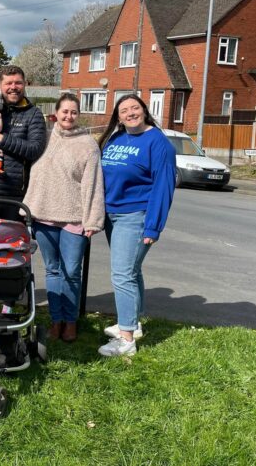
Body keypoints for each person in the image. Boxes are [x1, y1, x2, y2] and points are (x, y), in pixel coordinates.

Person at [97, 94, 176, 357]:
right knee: (132, 270)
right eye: (124, 110)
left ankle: (126, 340)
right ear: (118, 117)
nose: (130, 113)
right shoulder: (117, 138)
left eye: (135, 108)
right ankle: (133, 323)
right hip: (113, 215)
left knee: (122, 274)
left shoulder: (158, 142)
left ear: (144, 110)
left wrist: (153, 227)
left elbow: (163, 187)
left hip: (136, 216)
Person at [23, 94, 105, 342]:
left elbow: (93, 185)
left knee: (71, 272)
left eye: (73, 112)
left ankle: (70, 322)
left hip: (74, 220)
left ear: (78, 115)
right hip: (43, 217)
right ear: (55, 113)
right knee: (52, 271)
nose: (68, 116)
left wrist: (93, 220)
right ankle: (55, 321)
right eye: (64, 111)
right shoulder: (44, 139)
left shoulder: (88, 145)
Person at [0, 64, 47, 313]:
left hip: (14, 194)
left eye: (18, 82)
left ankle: (8, 303)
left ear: (25, 84)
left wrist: (0, 139)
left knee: (9, 250)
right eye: (8, 83)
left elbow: (34, 149)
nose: (13, 87)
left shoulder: (33, 114)